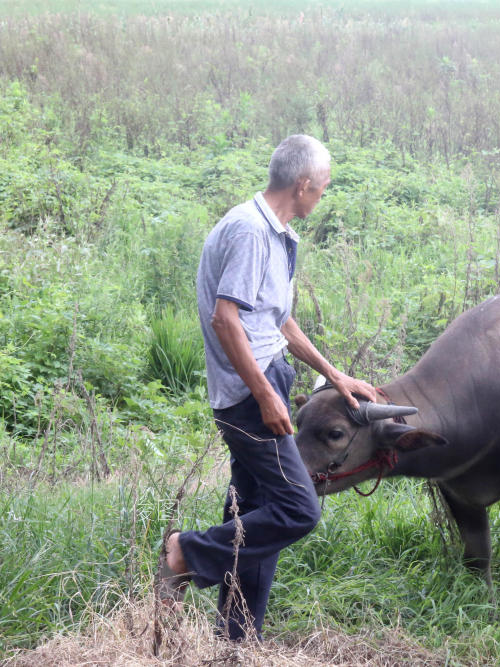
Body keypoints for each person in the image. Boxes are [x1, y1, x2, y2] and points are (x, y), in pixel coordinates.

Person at [155, 134, 377, 641]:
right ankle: (186, 552)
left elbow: (282, 322)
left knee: (252, 515)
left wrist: (335, 374)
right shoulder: (251, 232)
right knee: (299, 511)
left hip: (265, 379)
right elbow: (225, 320)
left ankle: (236, 638)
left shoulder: (276, 233)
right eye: (321, 190)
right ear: (302, 186)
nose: (321, 198)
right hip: (248, 396)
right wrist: (264, 395)